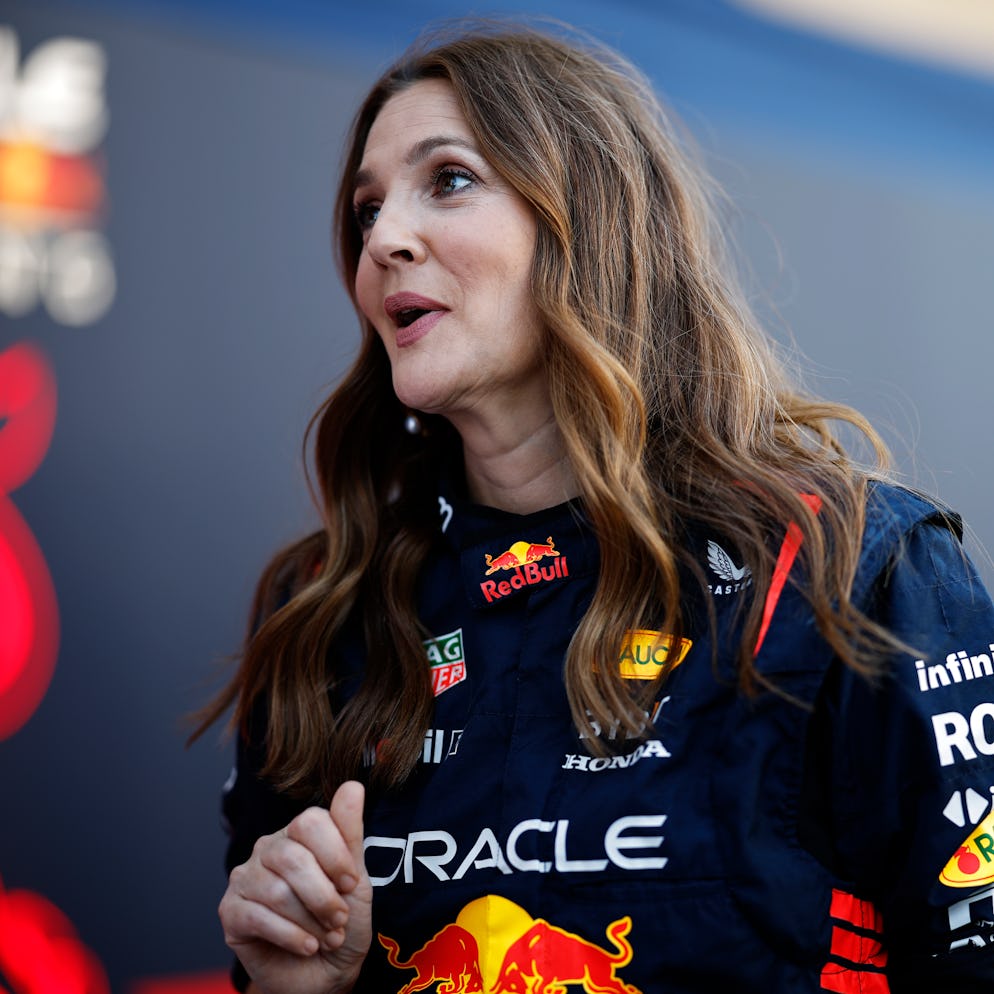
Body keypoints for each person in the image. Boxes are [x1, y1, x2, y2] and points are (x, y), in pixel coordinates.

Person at [197, 19, 994, 994]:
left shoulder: (841, 567)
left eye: (446, 180)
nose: (383, 242)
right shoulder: (325, 607)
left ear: (593, 218)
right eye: (366, 211)